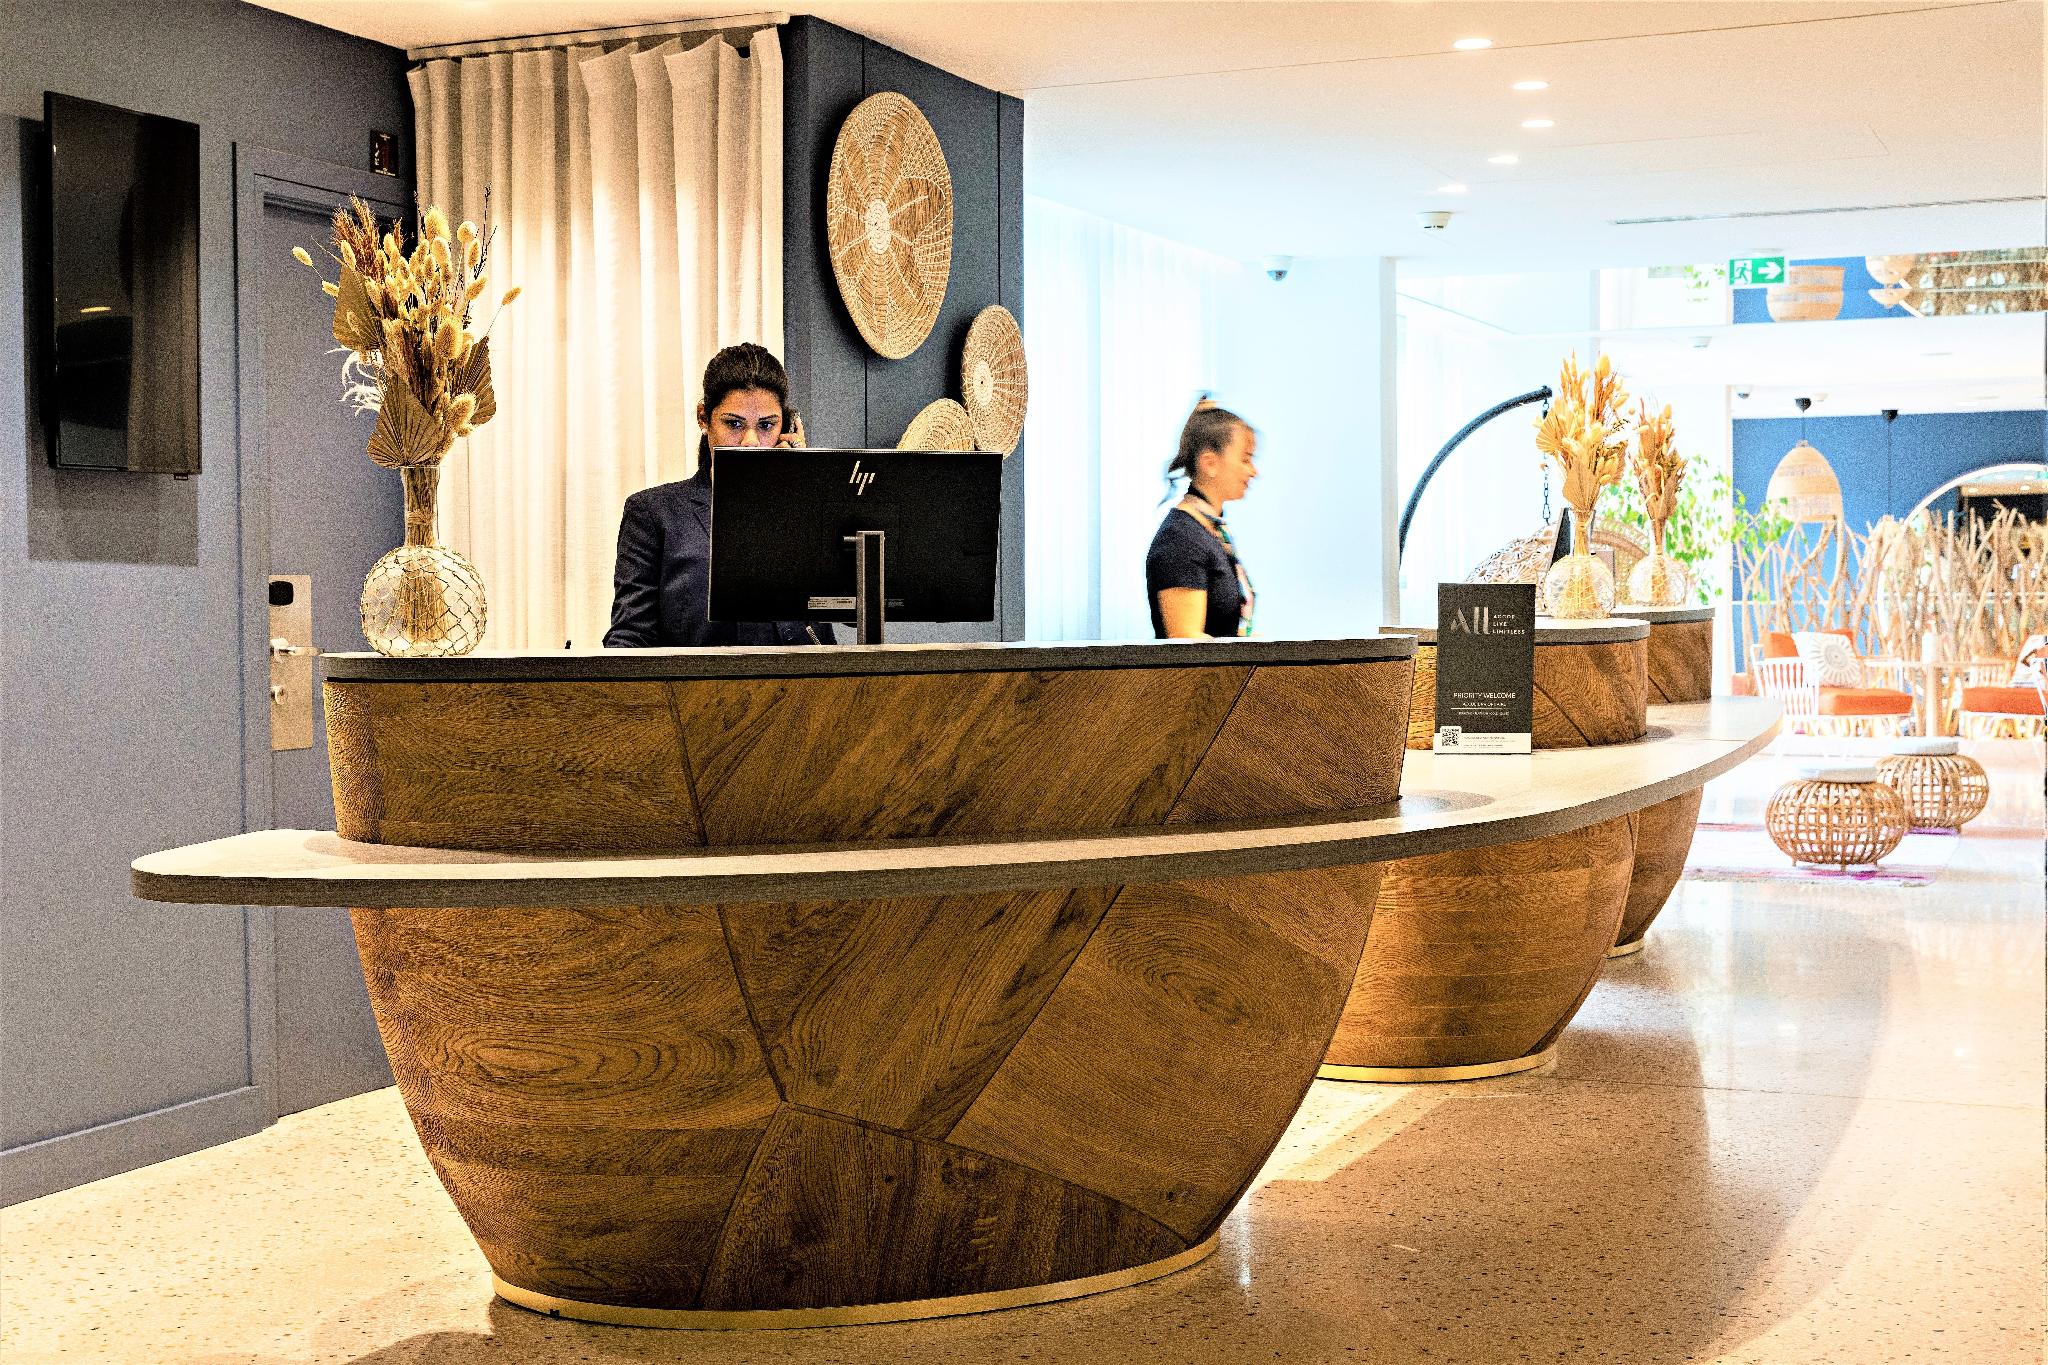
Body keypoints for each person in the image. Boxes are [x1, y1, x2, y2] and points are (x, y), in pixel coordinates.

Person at [604, 343, 833, 648]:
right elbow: (630, 635)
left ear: (787, 426)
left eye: (766, 425)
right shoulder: (654, 513)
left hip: (807, 678)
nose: (751, 441)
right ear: (704, 418)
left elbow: (857, 609)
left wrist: (800, 486)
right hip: (700, 679)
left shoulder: (810, 507)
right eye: (734, 423)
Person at [1145, 396, 1258, 639]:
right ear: (1210, 463)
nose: (1253, 471)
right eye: (1245, 459)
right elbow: (1187, 642)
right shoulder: (1180, 540)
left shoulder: (1210, 531)